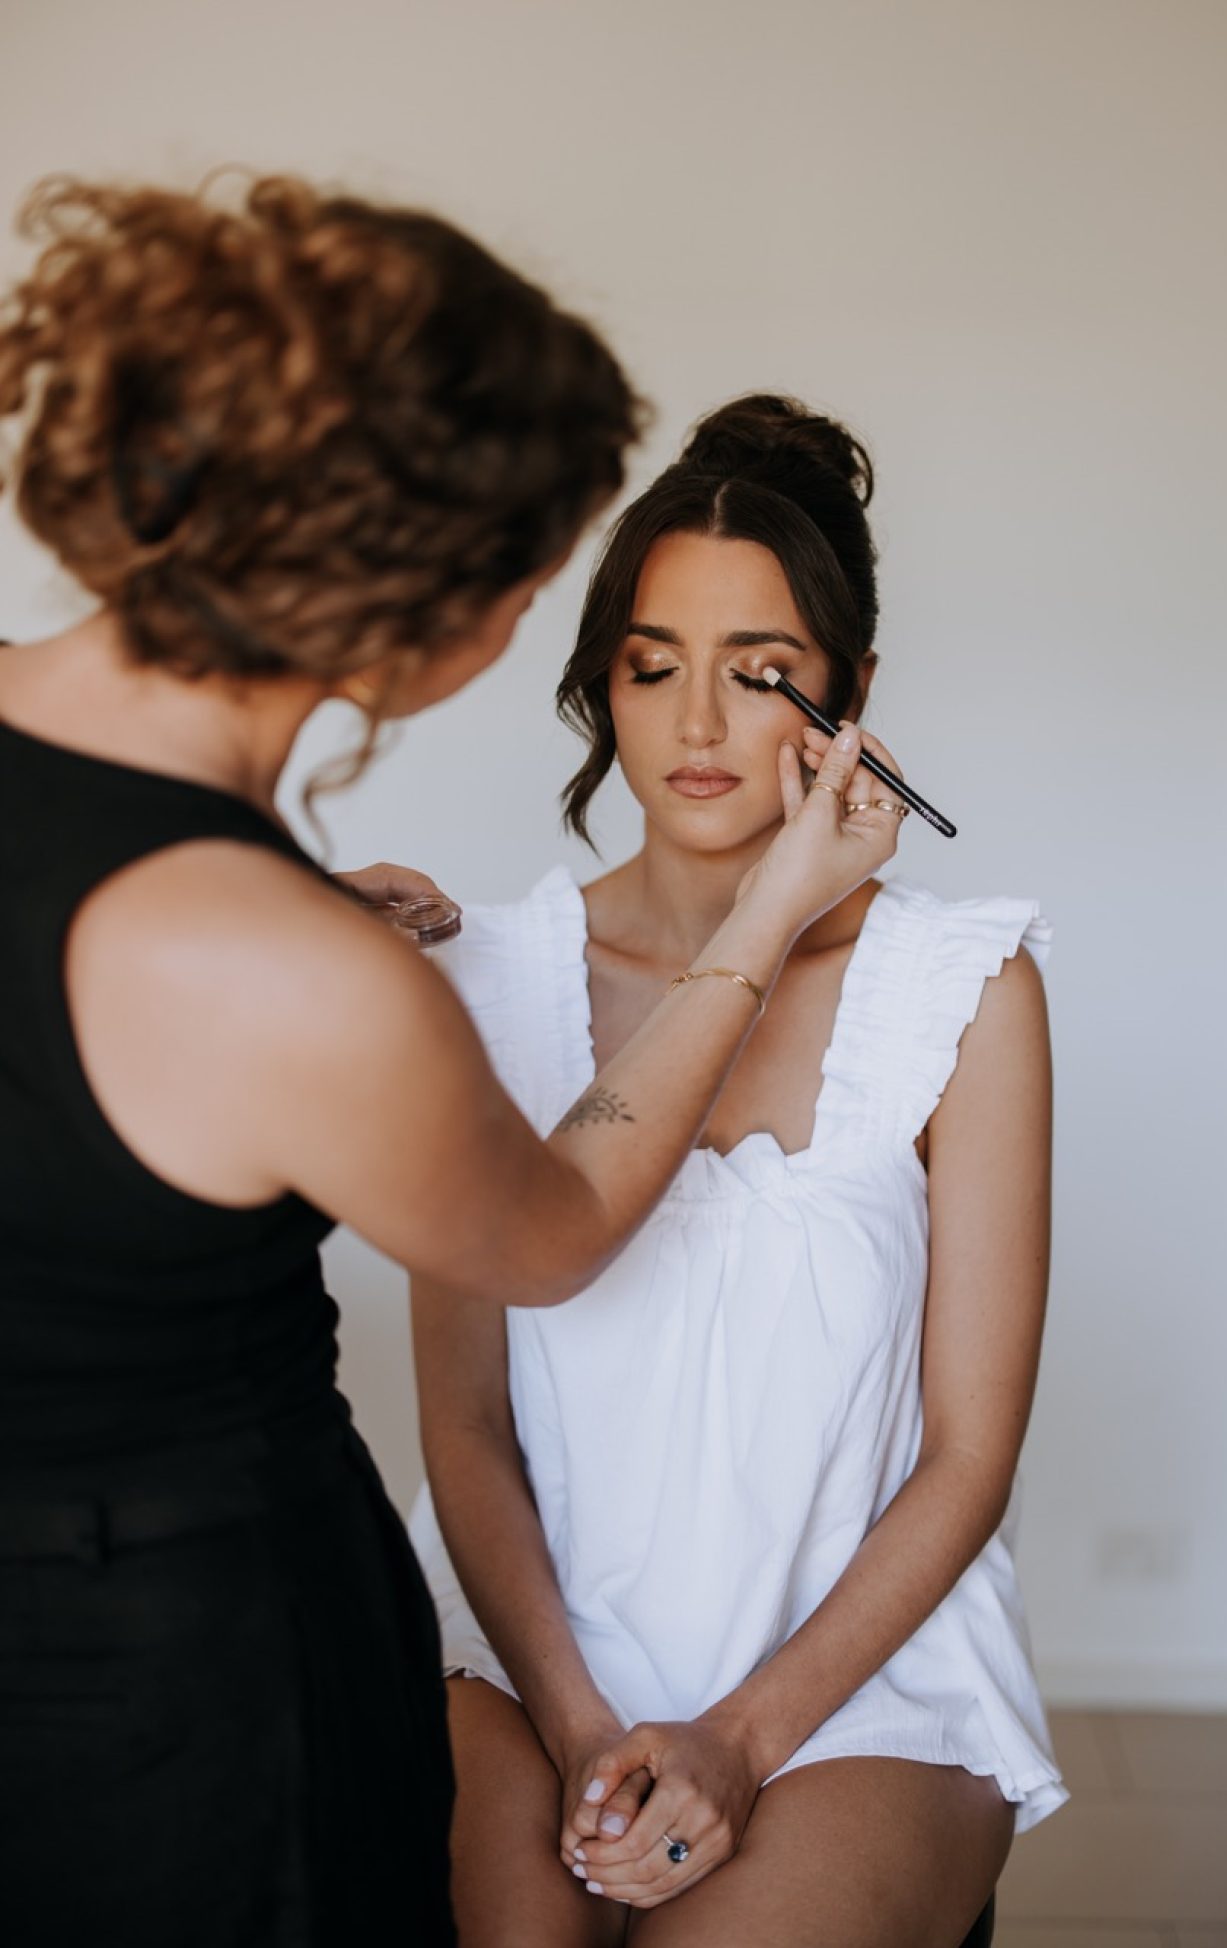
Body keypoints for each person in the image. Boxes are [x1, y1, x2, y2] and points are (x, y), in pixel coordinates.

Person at [0, 184, 892, 1948]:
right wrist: (763, 925)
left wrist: (294, 933)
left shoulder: (248, 932)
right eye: (543, 577)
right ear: (416, 602)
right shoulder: (293, 973)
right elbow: (552, 1233)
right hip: (187, 1697)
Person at [410, 395, 1067, 1948]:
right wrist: (577, 1723)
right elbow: (466, 1426)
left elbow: (970, 1455)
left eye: (760, 674)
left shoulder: (965, 991)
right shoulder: (478, 982)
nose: (699, 726)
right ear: (600, 690)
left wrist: (743, 1739)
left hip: (859, 1686)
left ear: (850, 698)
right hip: (523, 1661)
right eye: (652, 669)